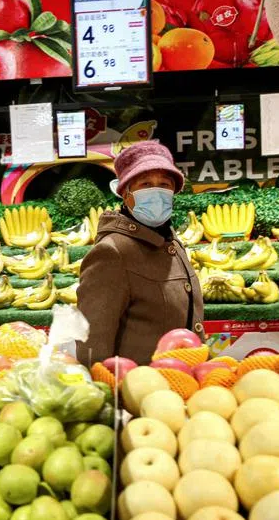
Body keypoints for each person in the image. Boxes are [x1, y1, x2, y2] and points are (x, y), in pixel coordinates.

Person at [76, 140, 203, 365]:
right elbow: (92, 344)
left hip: (178, 378)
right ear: (126, 194)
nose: (156, 192)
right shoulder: (112, 251)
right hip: (138, 382)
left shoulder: (170, 241)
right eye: (145, 184)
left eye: (164, 184)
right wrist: (107, 382)